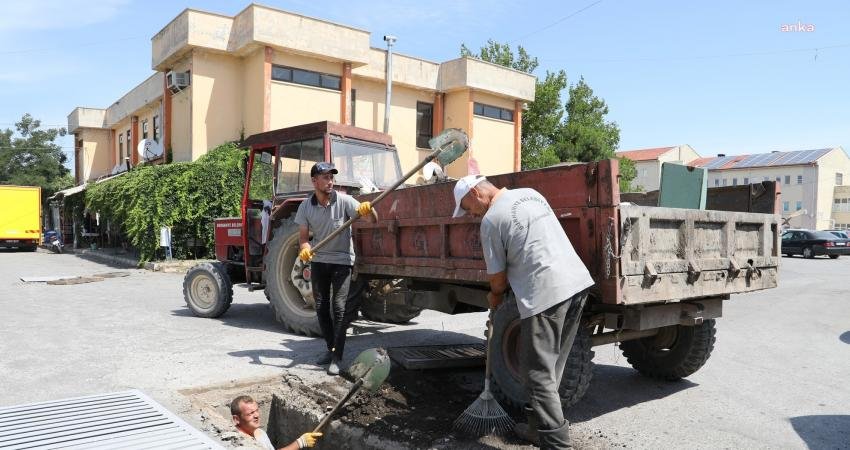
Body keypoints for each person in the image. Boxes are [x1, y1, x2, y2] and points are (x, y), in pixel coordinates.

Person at [453, 174, 594, 449]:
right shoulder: (530, 194)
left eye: (468, 208)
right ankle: (537, 428)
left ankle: (557, 444)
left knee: (536, 373)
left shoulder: (491, 221)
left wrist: (494, 297)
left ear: (474, 193)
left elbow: (497, 280)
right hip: (577, 284)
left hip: (546, 293)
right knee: (552, 368)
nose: (472, 214)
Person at [295, 161, 375, 376]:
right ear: (314, 181)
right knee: (320, 307)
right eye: (326, 177)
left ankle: (337, 357)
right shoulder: (306, 206)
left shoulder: (345, 200)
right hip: (320, 260)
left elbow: (371, 219)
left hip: (342, 261)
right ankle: (330, 350)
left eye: (332, 177)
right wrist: (305, 249)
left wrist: (369, 211)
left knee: (338, 307)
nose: (330, 181)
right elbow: (304, 239)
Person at [231, 395, 322, 450]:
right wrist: (300, 443)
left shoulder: (260, 433)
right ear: (236, 419)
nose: (256, 415)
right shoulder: (240, 443)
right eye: (250, 413)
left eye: (256, 410)